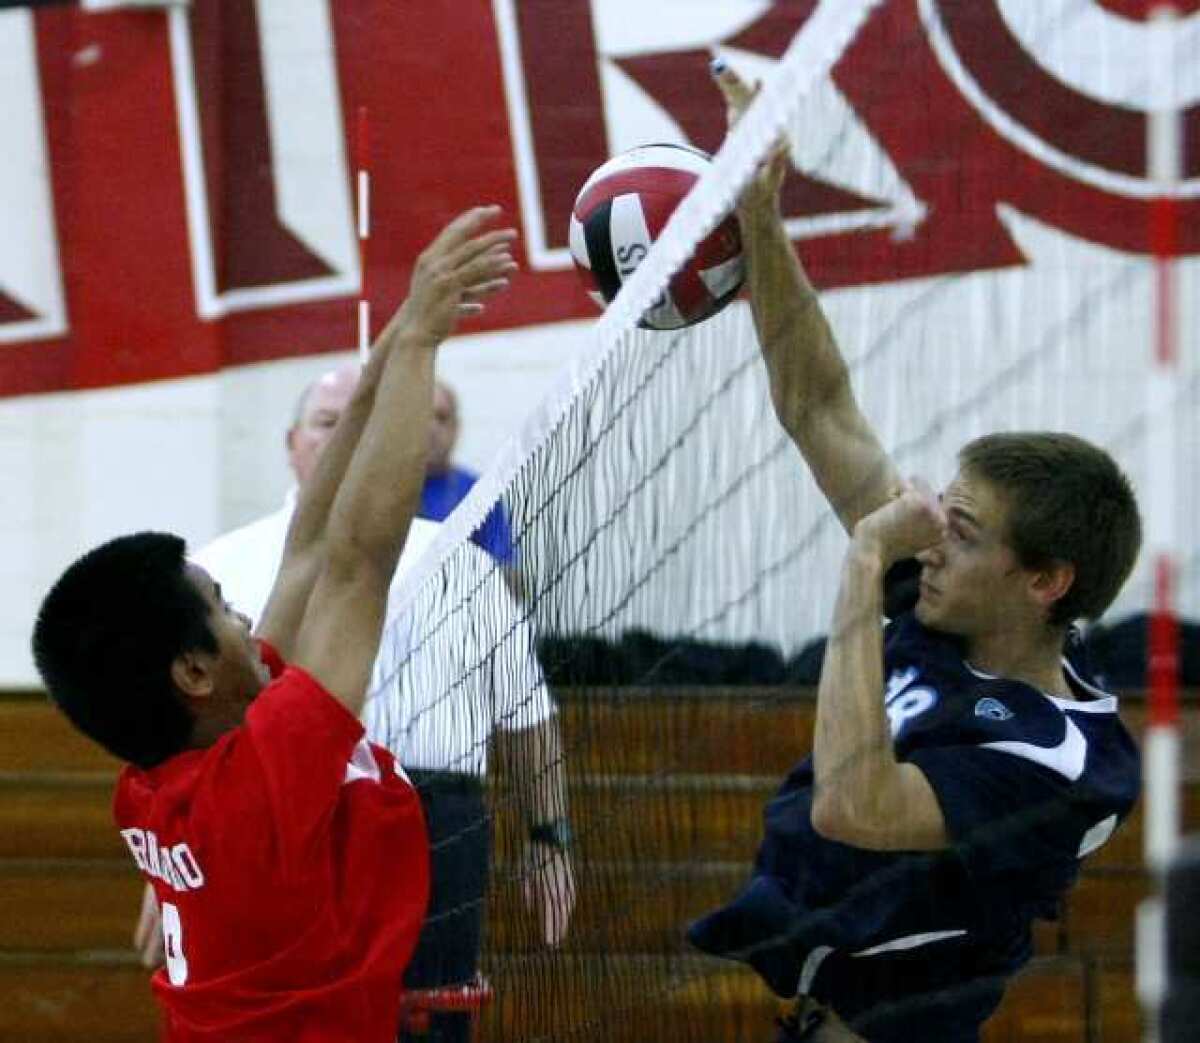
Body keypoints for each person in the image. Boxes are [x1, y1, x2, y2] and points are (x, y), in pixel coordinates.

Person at [687, 64, 1143, 1042]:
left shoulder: (1066, 756)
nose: (930, 537)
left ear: (1045, 579)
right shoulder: (943, 590)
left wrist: (861, 566)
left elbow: (854, 803)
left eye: (963, 529)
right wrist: (763, 214)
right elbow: (819, 407)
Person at [32, 207, 519, 1043]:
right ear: (192, 671)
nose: (247, 612)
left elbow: (310, 546)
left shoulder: (190, 762)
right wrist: (422, 347)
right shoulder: (260, 781)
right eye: (222, 606)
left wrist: (400, 336)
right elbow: (360, 560)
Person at [131, 362, 576, 1043]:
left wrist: (549, 835)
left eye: (361, 426)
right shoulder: (218, 564)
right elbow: (180, 739)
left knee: (430, 1023)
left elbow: (525, 713)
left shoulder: (463, 558)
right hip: (271, 831)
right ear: (291, 442)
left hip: (438, 821)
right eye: (327, 424)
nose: (345, 442)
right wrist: (170, 871)